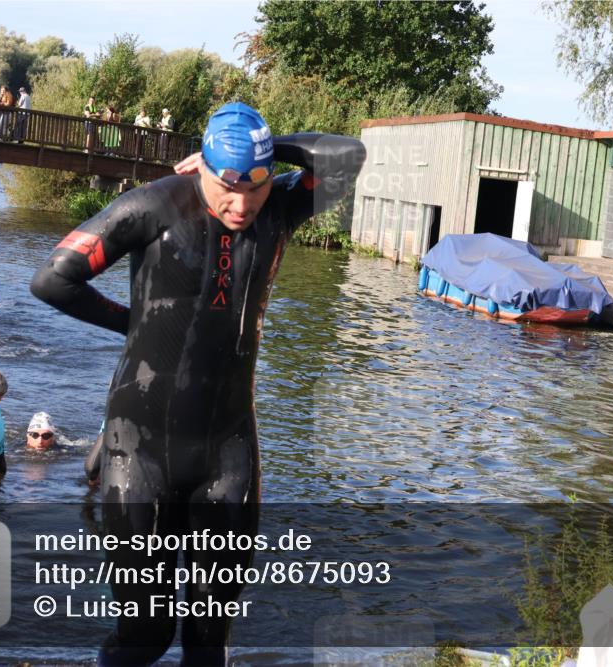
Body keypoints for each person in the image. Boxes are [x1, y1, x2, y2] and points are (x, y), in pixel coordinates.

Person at [31, 101, 365, 666]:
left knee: (209, 643)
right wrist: (131, 322)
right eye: (228, 187)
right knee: (145, 637)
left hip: (226, 455)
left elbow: (347, 154)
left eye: (255, 187)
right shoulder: (154, 204)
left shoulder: (281, 207)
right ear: (202, 167)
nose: (242, 205)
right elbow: (53, 280)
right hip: (139, 450)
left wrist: (265, 148)